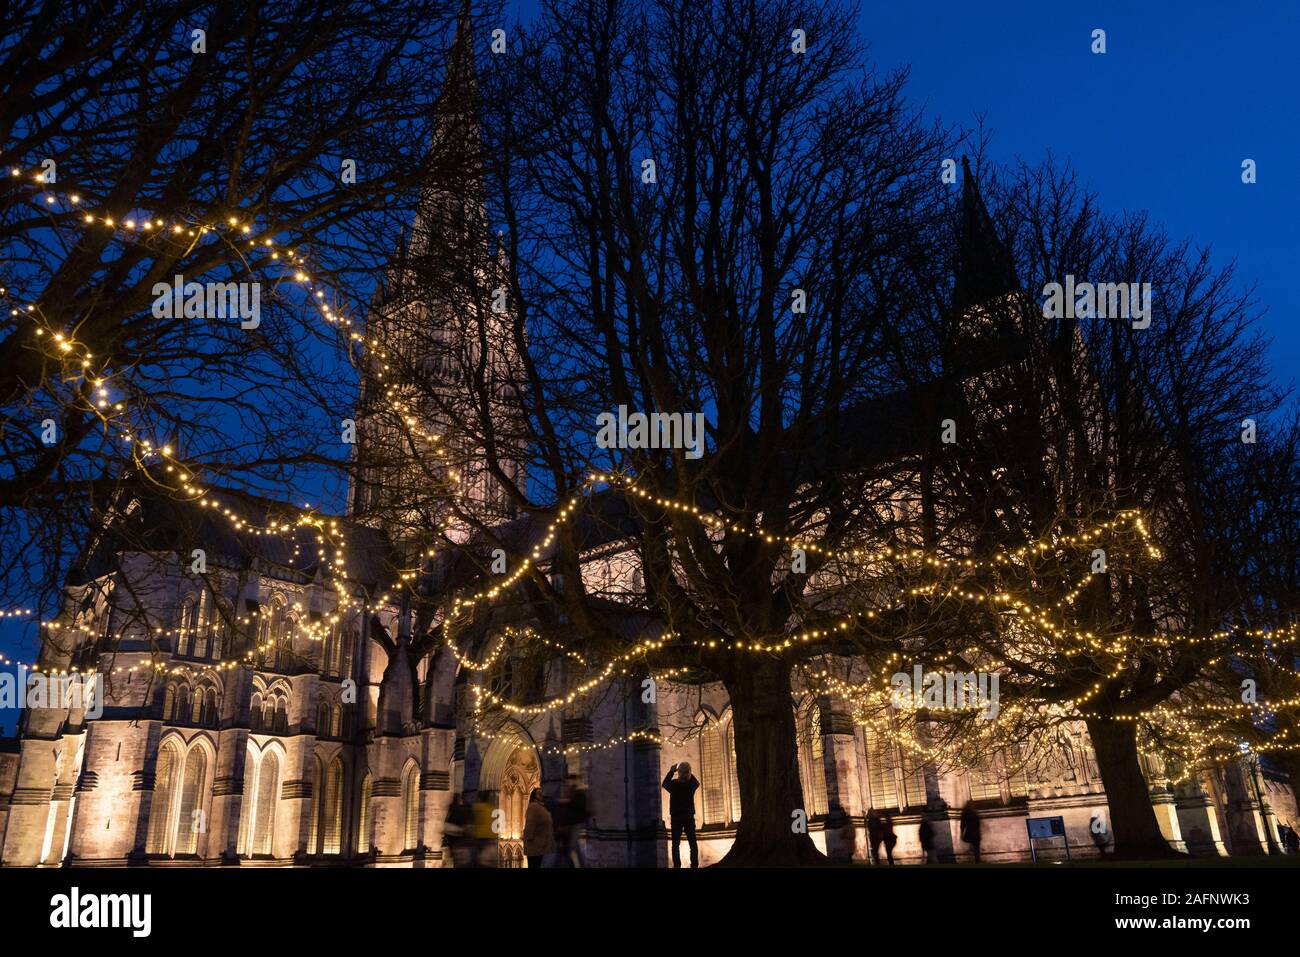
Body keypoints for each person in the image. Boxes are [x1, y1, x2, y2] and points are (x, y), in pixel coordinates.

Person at [662, 761, 700, 868]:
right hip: (688, 816)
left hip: (676, 817)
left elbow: (664, 784)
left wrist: (671, 771)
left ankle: (677, 866)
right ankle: (694, 865)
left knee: (675, 844)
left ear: (679, 772)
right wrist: (689, 771)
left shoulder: (674, 784)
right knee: (692, 842)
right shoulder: (691, 785)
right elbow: (697, 782)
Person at [559, 774, 589, 867]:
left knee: (573, 847)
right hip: (571, 824)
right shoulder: (572, 792)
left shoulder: (579, 792)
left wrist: (567, 800)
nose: (569, 783)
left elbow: (579, 806)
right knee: (572, 848)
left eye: (570, 780)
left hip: (576, 824)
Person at [523, 787, 554, 869]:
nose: (541, 794)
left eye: (541, 792)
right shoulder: (533, 807)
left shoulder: (542, 807)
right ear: (534, 796)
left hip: (542, 846)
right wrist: (528, 838)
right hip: (535, 847)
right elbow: (530, 824)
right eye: (538, 793)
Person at [444, 793, 472, 867]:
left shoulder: (451, 809)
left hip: (454, 840)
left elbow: (446, 823)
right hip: (460, 839)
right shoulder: (462, 809)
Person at [470, 790, 496, 867]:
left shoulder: (476, 808)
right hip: (490, 840)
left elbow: (473, 822)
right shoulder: (492, 809)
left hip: (479, 839)